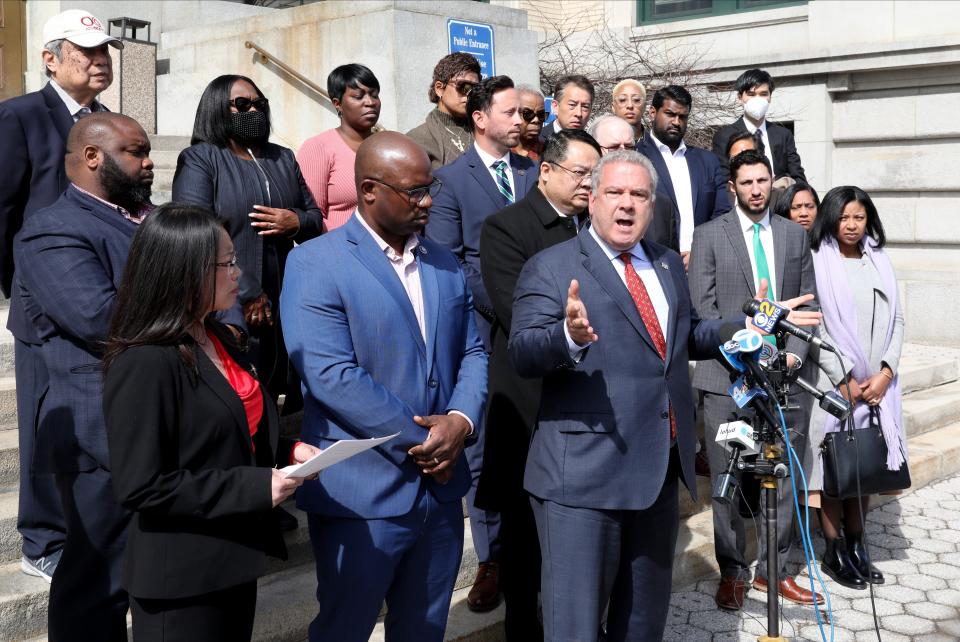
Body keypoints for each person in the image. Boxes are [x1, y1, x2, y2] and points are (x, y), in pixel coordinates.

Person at [508, 149, 820, 640]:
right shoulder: (551, 266)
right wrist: (567, 337)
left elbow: (687, 335)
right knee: (575, 628)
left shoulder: (668, 264)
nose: (626, 205)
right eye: (614, 192)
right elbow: (523, 352)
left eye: (639, 195)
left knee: (643, 624)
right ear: (592, 199)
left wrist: (751, 322)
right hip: (582, 480)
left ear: (652, 205)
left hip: (657, 476)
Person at [280, 132, 488, 641]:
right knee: (344, 629)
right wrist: (423, 440)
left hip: (439, 494)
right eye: (414, 191)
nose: (428, 201)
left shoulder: (443, 261)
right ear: (369, 190)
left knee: (423, 629)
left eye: (429, 187)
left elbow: (473, 352)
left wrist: (459, 421)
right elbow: (331, 375)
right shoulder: (315, 262)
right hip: (362, 494)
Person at [102, 204, 320, 641]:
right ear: (183, 269)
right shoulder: (146, 361)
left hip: (233, 559)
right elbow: (142, 484)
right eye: (226, 262)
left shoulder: (219, 337)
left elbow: (230, 431)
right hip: (182, 580)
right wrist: (254, 487)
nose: (239, 271)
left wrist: (288, 450)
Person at [12, 112, 154, 641]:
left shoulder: (156, 217)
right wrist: (192, 298)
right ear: (93, 156)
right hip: (101, 433)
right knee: (96, 587)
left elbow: (221, 282)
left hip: (164, 423)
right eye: (136, 151)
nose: (148, 161)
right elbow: (100, 319)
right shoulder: (51, 230)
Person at [0, 8, 121, 581]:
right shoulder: (19, 117)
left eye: (104, 51)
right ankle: (40, 540)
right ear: (50, 58)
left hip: (103, 298)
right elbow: (3, 211)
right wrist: (19, 286)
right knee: (45, 422)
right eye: (86, 51)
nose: (100, 61)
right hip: (43, 304)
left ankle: (83, 527)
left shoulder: (109, 122)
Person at [478, 129, 602, 640]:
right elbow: (519, 315)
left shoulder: (595, 228)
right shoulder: (506, 228)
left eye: (595, 175)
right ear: (545, 170)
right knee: (525, 542)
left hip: (589, 401)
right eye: (580, 173)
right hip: (530, 402)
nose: (588, 184)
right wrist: (574, 332)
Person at [687, 150, 822, 611]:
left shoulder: (792, 235)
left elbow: (806, 306)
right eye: (747, 182)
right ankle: (732, 571)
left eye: (764, 181)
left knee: (781, 478)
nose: (757, 190)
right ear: (733, 188)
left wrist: (791, 357)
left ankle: (773, 571)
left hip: (782, 381)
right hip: (726, 377)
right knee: (727, 477)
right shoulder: (708, 236)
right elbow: (702, 312)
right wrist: (750, 338)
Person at [427, 75, 537, 611]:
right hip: (482, 329)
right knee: (485, 447)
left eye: (523, 113)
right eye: (511, 112)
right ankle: (492, 558)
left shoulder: (534, 172)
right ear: (480, 118)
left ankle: (528, 544)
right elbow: (450, 260)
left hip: (533, 326)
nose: (522, 121)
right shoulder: (449, 181)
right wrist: (509, 307)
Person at [172, 74, 323, 413]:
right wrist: (248, 291)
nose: (253, 109)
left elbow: (315, 217)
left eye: (259, 104)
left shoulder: (282, 158)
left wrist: (294, 221)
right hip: (227, 299)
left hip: (286, 295)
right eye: (242, 104)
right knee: (237, 398)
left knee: (276, 390)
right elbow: (197, 229)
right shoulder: (201, 158)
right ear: (218, 108)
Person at [807, 186, 904, 589]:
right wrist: (844, 377)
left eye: (859, 218)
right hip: (834, 387)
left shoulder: (878, 261)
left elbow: (898, 319)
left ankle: (858, 545)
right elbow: (817, 324)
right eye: (844, 217)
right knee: (834, 471)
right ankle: (833, 550)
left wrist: (886, 372)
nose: (851, 225)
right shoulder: (816, 261)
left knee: (864, 468)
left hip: (877, 390)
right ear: (831, 218)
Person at [636, 85, 728, 269]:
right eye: (670, 114)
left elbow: (722, 215)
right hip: (651, 263)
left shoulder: (707, 161)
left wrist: (701, 251)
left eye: (683, 117)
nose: (676, 122)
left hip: (702, 264)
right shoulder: (635, 156)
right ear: (653, 113)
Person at [299, 64, 382, 230]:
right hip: (339, 250)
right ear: (337, 103)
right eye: (358, 96)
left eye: (374, 95)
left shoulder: (387, 146)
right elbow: (312, 219)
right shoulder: (318, 148)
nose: (370, 102)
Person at [590, 114, 676, 251]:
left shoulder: (661, 206)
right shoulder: (580, 203)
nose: (623, 153)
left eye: (629, 147)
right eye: (614, 147)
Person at [712, 68, 806, 183]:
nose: (757, 99)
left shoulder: (783, 135)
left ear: (770, 97)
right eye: (751, 94)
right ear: (740, 98)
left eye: (763, 94)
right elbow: (722, 179)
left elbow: (798, 176)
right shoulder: (725, 136)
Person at [407, 52, 480, 169]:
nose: (469, 95)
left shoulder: (484, 131)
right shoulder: (416, 139)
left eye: (475, 89)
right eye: (463, 87)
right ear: (440, 89)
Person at [542, 74, 594, 140]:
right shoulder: (537, 143)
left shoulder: (592, 145)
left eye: (585, 107)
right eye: (572, 105)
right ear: (555, 106)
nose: (579, 113)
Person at [511, 86, 546, 161]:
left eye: (541, 115)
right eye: (528, 114)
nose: (536, 120)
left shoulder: (550, 152)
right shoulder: (499, 151)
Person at [610, 78, 646, 142]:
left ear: (645, 106)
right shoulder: (600, 145)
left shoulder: (658, 145)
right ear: (613, 107)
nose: (630, 105)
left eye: (636, 100)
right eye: (622, 100)